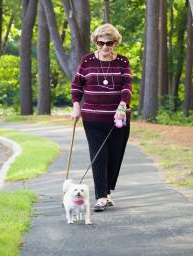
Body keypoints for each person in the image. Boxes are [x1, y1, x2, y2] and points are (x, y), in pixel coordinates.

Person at [70, 23, 132, 212]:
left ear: (116, 42)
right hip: (93, 119)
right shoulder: (87, 61)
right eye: (101, 43)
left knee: (114, 157)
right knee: (99, 157)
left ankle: (107, 192)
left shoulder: (122, 62)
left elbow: (127, 87)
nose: (105, 47)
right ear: (96, 42)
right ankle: (101, 197)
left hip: (118, 119)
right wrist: (76, 107)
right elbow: (76, 86)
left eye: (109, 43)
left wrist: (122, 106)